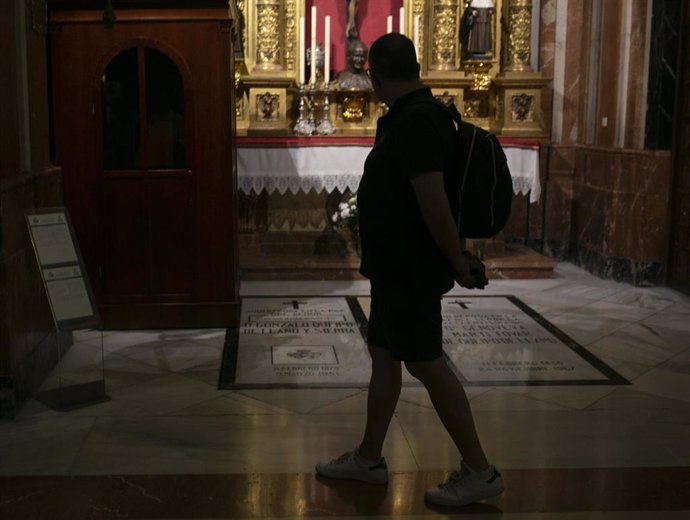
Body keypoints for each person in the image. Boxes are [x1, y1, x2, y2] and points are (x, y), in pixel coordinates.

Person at [315, 33, 504, 508]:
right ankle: (369, 459)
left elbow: (433, 200)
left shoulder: (417, 120)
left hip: (411, 270)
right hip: (397, 268)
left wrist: (456, 260)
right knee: (384, 354)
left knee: (427, 363)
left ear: (374, 74)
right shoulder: (413, 115)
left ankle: (480, 470)